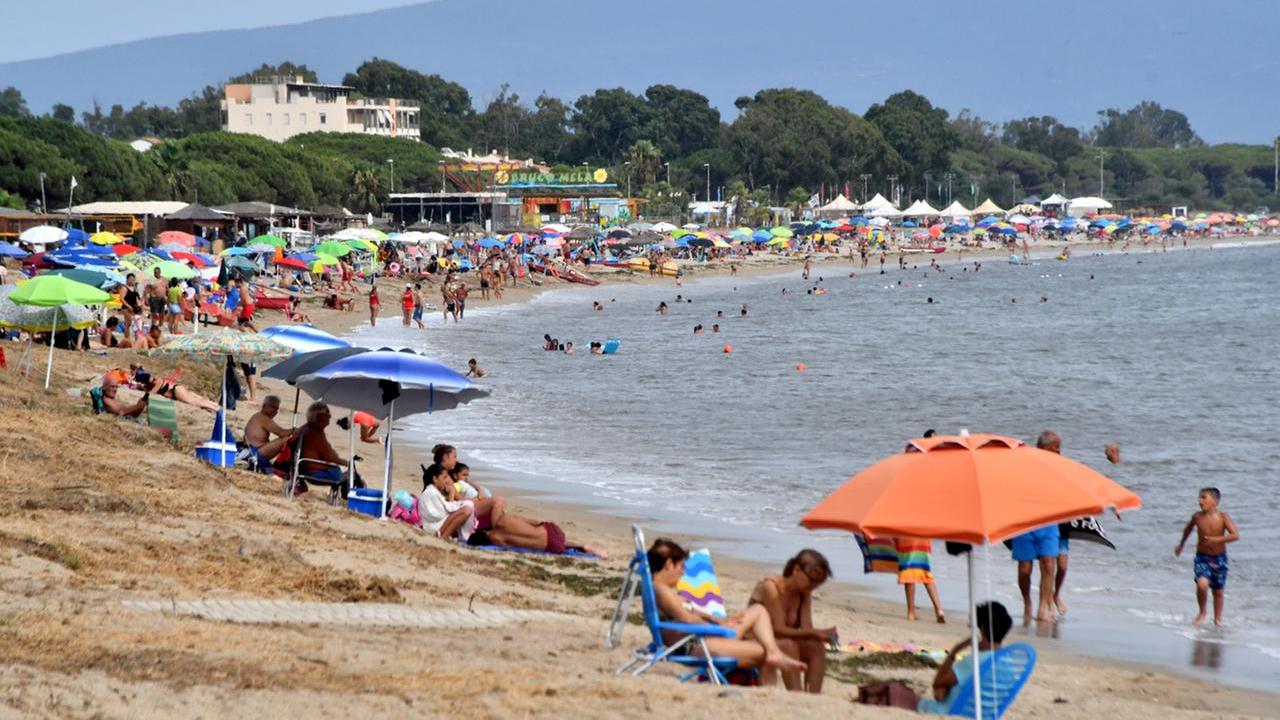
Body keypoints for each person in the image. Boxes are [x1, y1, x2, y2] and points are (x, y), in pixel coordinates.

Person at [649, 539, 805, 685]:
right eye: (682, 566)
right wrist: (718, 629)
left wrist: (721, 621)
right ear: (669, 564)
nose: (683, 572)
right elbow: (688, 620)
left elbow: (693, 611)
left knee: (759, 615)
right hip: (697, 645)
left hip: (699, 640)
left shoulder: (661, 590)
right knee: (762, 644)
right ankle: (769, 690)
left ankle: (773, 655)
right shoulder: (660, 589)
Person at [857, 602, 1012, 714]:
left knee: (893, 689)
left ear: (982, 629)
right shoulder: (1009, 663)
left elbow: (938, 681)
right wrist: (943, 688)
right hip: (979, 712)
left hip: (949, 711)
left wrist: (955, 651)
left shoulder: (975, 661)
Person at [749, 549, 837, 692]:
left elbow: (806, 628)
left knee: (816, 646)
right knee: (789, 645)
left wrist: (823, 634)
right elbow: (778, 629)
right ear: (797, 570)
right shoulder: (771, 586)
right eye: (812, 580)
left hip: (780, 641)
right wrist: (814, 633)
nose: (814, 586)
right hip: (757, 639)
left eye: (819, 583)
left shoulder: (804, 593)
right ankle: (796, 692)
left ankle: (813, 694)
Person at [1175, 487, 1239, 626]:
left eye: (1204, 498)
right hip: (1202, 557)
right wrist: (1181, 545)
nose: (1200, 501)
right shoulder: (1197, 517)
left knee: (1218, 591)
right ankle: (1202, 612)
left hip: (1220, 558)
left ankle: (1217, 620)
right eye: (1199, 497)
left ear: (1215, 501)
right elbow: (1188, 529)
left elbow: (1235, 535)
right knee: (1202, 584)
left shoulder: (1223, 517)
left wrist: (1218, 540)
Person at [297, 402, 348, 484]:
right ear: (319, 416)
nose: (330, 416)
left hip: (305, 470)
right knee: (342, 473)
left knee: (338, 470)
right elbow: (330, 457)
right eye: (327, 412)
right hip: (316, 473)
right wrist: (347, 463)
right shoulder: (316, 433)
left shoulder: (306, 428)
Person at [243, 395, 294, 468]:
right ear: (264, 406)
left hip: (254, 449)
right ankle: (283, 465)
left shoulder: (259, 416)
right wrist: (298, 430)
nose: (275, 411)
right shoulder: (262, 418)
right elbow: (282, 433)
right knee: (285, 440)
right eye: (272, 407)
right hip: (254, 452)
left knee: (286, 439)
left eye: (277, 409)